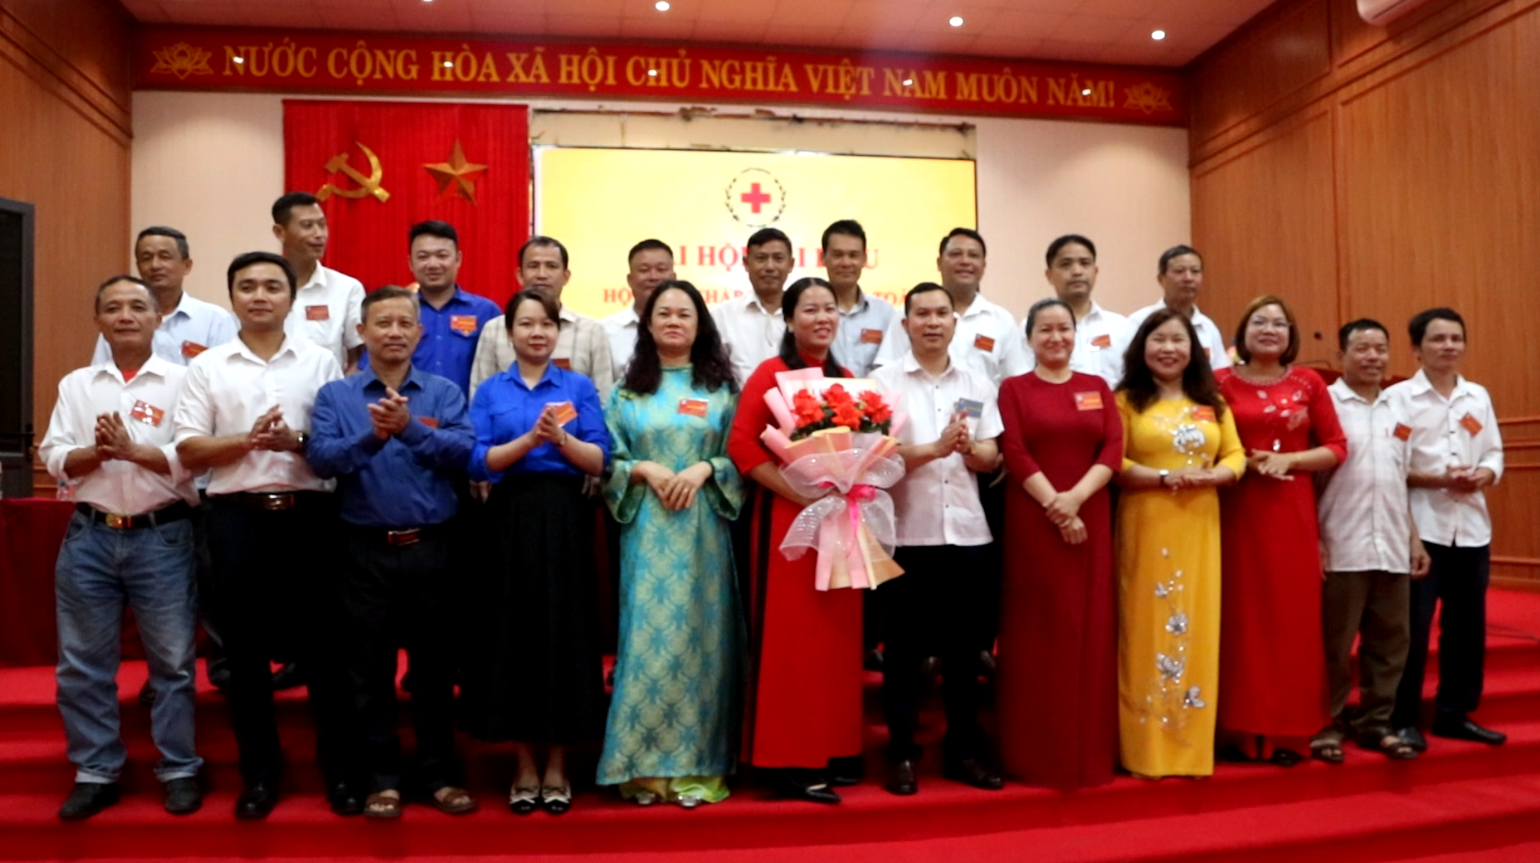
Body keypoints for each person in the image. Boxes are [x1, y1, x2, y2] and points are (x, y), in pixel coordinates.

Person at [173, 251, 363, 819]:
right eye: (248, 286)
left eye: (271, 287)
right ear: (232, 297)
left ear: (290, 298)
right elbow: (189, 448)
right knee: (245, 656)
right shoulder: (208, 367)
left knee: (327, 653)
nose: (259, 296)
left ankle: (341, 772)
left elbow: (340, 442)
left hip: (311, 518)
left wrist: (295, 442)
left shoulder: (320, 362)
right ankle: (259, 775)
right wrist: (247, 442)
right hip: (238, 520)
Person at [307, 286, 479, 818]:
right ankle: (382, 779)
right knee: (369, 674)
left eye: (405, 323)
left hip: (433, 549)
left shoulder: (443, 393)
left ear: (420, 333)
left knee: (434, 673)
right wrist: (372, 439)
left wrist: (408, 431)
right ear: (362, 332)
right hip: (363, 552)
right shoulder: (336, 396)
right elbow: (322, 459)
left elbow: (463, 451)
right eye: (383, 323)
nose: (395, 332)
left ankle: (439, 775)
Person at [40, 276, 204, 820]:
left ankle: (179, 767)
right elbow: (55, 458)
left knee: (173, 664)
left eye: (137, 306)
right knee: (82, 663)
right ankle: (95, 771)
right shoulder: (77, 385)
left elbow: (193, 459)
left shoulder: (186, 380)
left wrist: (134, 451)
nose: (126, 315)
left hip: (164, 535)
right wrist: (98, 453)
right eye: (113, 308)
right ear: (99, 321)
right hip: (89, 536)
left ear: (158, 319)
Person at [460, 288, 611, 815]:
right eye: (526, 324)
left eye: (546, 323)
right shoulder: (492, 391)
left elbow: (600, 459)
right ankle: (524, 764)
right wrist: (529, 441)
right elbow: (477, 461)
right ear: (509, 333)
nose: (537, 332)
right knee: (516, 636)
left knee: (563, 636)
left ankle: (558, 766)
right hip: (507, 518)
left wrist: (561, 441)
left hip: (566, 516)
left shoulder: (577, 386)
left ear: (558, 331)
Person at [598, 280, 744, 808]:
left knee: (704, 647)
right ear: (648, 323)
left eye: (685, 313)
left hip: (704, 532)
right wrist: (643, 468)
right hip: (648, 531)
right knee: (648, 645)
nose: (674, 321)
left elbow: (742, 457)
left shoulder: (721, 390)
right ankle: (642, 769)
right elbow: (608, 459)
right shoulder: (626, 391)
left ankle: (699, 766)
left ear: (700, 324)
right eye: (664, 313)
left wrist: (708, 468)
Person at [726, 277, 863, 803]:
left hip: (840, 520)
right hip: (786, 521)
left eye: (830, 308)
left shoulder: (847, 380)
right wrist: (798, 493)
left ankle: (832, 745)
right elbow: (743, 446)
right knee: (791, 640)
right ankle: (786, 757)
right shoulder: (771, 374)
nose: (822, 318)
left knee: (835, 638)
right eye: (809, 309)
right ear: (788, 319)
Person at [869, 283, 1003, 796]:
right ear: (906, 324)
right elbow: (876, 460)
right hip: (909, 534)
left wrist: (969, 449)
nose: (932, 322)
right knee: (903, 654)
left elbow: (991, 456)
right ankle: (903, 753)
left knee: (965, 654)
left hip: (968, 535)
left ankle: (963, 751)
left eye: (941, 314)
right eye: (921, 314)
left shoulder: (976, 380)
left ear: (954, 322)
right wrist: (935, 448)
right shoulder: (882, 383)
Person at [996, 298, 1122, 790]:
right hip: (1034, 521)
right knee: (1039, 633)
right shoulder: (1014, 389)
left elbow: (1113, 448)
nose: (1055, 337)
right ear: (1029, 338)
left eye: (1063, 328)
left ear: (1076, 334)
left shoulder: (1096, 388)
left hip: (1090, 517)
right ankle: (1035, 756)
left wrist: (1075, 500)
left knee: (1088, 630)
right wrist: (1056, 505)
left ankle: (1086, 754)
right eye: (1044, 330)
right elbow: (1014, 451)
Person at [1215, 295, 1346, 765]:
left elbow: (1336, 447)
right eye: (1259, 322)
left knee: (1291, 620)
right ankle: (1236, 730)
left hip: (1291, 512)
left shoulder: (1309, 382)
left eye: (1279, 323)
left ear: (1291, 334)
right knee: (1240, 620)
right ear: (1242, 331)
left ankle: (1288, 732)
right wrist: (1244, 463)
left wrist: (1289, 459)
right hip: (1236, 510)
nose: (1269, 329)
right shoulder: (1217, 382)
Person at [1114, 309, 1244, 779]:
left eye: (1178, 340)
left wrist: (1217, 475)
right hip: (1147, 522)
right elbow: (1114, 462)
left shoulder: (1212, 402)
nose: (1168, 349)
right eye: (1158, 340)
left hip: (1200, 525)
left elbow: (1235, 453)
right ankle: (1144, 750)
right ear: (1142, 348)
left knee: (1196, 624)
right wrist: (1164, 476)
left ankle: (1189, 749)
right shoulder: (1125, 401)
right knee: (1145, 628)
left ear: (1194, 350)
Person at [1389, 308, 1506, 750]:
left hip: (1471, 528)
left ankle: (1454, 713)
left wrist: (1485, 474)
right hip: (1422, 529)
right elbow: (1392, 465)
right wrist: (1438, 479)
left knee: (1467, 628)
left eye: (1456, 338)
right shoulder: (1399, 399)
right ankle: (1403, 718)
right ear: (1416, 348)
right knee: (1413, 629)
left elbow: (1493, 452)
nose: (1449, 346)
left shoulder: (1477, 395)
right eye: (1438, 339)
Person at [1313, 319, 1429, 762]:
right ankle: (1326, 723)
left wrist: (1414, 539)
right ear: (1340, 356)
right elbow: (1309, 482)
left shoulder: (1399, 407)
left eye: (1380, 348)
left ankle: (1376, 721)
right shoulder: (1325, 404)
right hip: (1341, 543)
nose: (1373, 357)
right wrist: (1313, 540)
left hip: (1392, 546)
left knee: (1391, 643)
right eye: (1362, 348)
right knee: (1333, 645)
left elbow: (1399, 480)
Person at [872, 228, 1030, 387]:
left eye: (973, 255)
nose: (965, 261)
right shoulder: (909, 315)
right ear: (939, 263)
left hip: (983, 402)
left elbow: (1017, 382)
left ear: (983, 265)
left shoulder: (1002, 320)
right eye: (955, 254)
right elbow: (887, 375)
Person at [360, 220, 500, 398]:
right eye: (423, 257)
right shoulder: (396, 312)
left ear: (458, 259)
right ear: (410, 263)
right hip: (403, 410)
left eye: (442, 255)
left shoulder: (486, 312)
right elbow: (370, 368)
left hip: (467, 412)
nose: (433, 264)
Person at [469, 236, 614, 400]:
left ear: (566, 276)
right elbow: (480, 397)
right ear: (520, 274)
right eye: (533, 266)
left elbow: (604, 399)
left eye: (551, 266)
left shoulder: (592, 331)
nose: (542, 274)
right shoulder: (494, 329)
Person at [89, 227, 236, 366]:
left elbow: (227, 375)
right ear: (138, 266)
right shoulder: (122, 323)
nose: (155, 265)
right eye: (146, 258)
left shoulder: (215, 320)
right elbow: (102, 374)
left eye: (165, 257)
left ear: (186, 265)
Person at [271, 191, 366, 373]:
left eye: (322, 225)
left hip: (328, 390)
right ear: (280, 232)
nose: (319, 234)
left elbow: (359, 359)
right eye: (307, 226)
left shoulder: (347, 289)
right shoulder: (264, 289)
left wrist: (339, 390)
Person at [1036, 234, 1129, 387]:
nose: (1077, 271)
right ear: (1049, 275)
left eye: (1085, 263)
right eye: (1066, 264)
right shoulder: (1034, 327)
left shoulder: (1121, 327)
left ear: (1095, 272)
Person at [1123, 245, 1231, 371]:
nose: (1188, 278)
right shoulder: (1139, 321)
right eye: (1179, 271)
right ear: (1161, 279)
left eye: (1195, 271)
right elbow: (1126, 368)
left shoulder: (1207, 327)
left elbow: (1220, 372)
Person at [713, 227, 794, 386]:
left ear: (790, 264)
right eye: (761, 258)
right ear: (746, 263)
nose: (769, 267)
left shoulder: (804, 316)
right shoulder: (723, 316)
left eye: (778, 258)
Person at [822, 219, 895, 378]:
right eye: (838, 255)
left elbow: (895, 367)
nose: (846, 263)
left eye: (853, 255)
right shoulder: (811, 312)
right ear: (823, 258)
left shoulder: (885, 313)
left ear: (864, 259)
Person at [601, 239, 676, 379]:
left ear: (674, 277)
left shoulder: (691, 328)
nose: (653, 277)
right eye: (644, 270)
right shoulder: (605, 331)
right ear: (630, 279)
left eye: (661, 269)